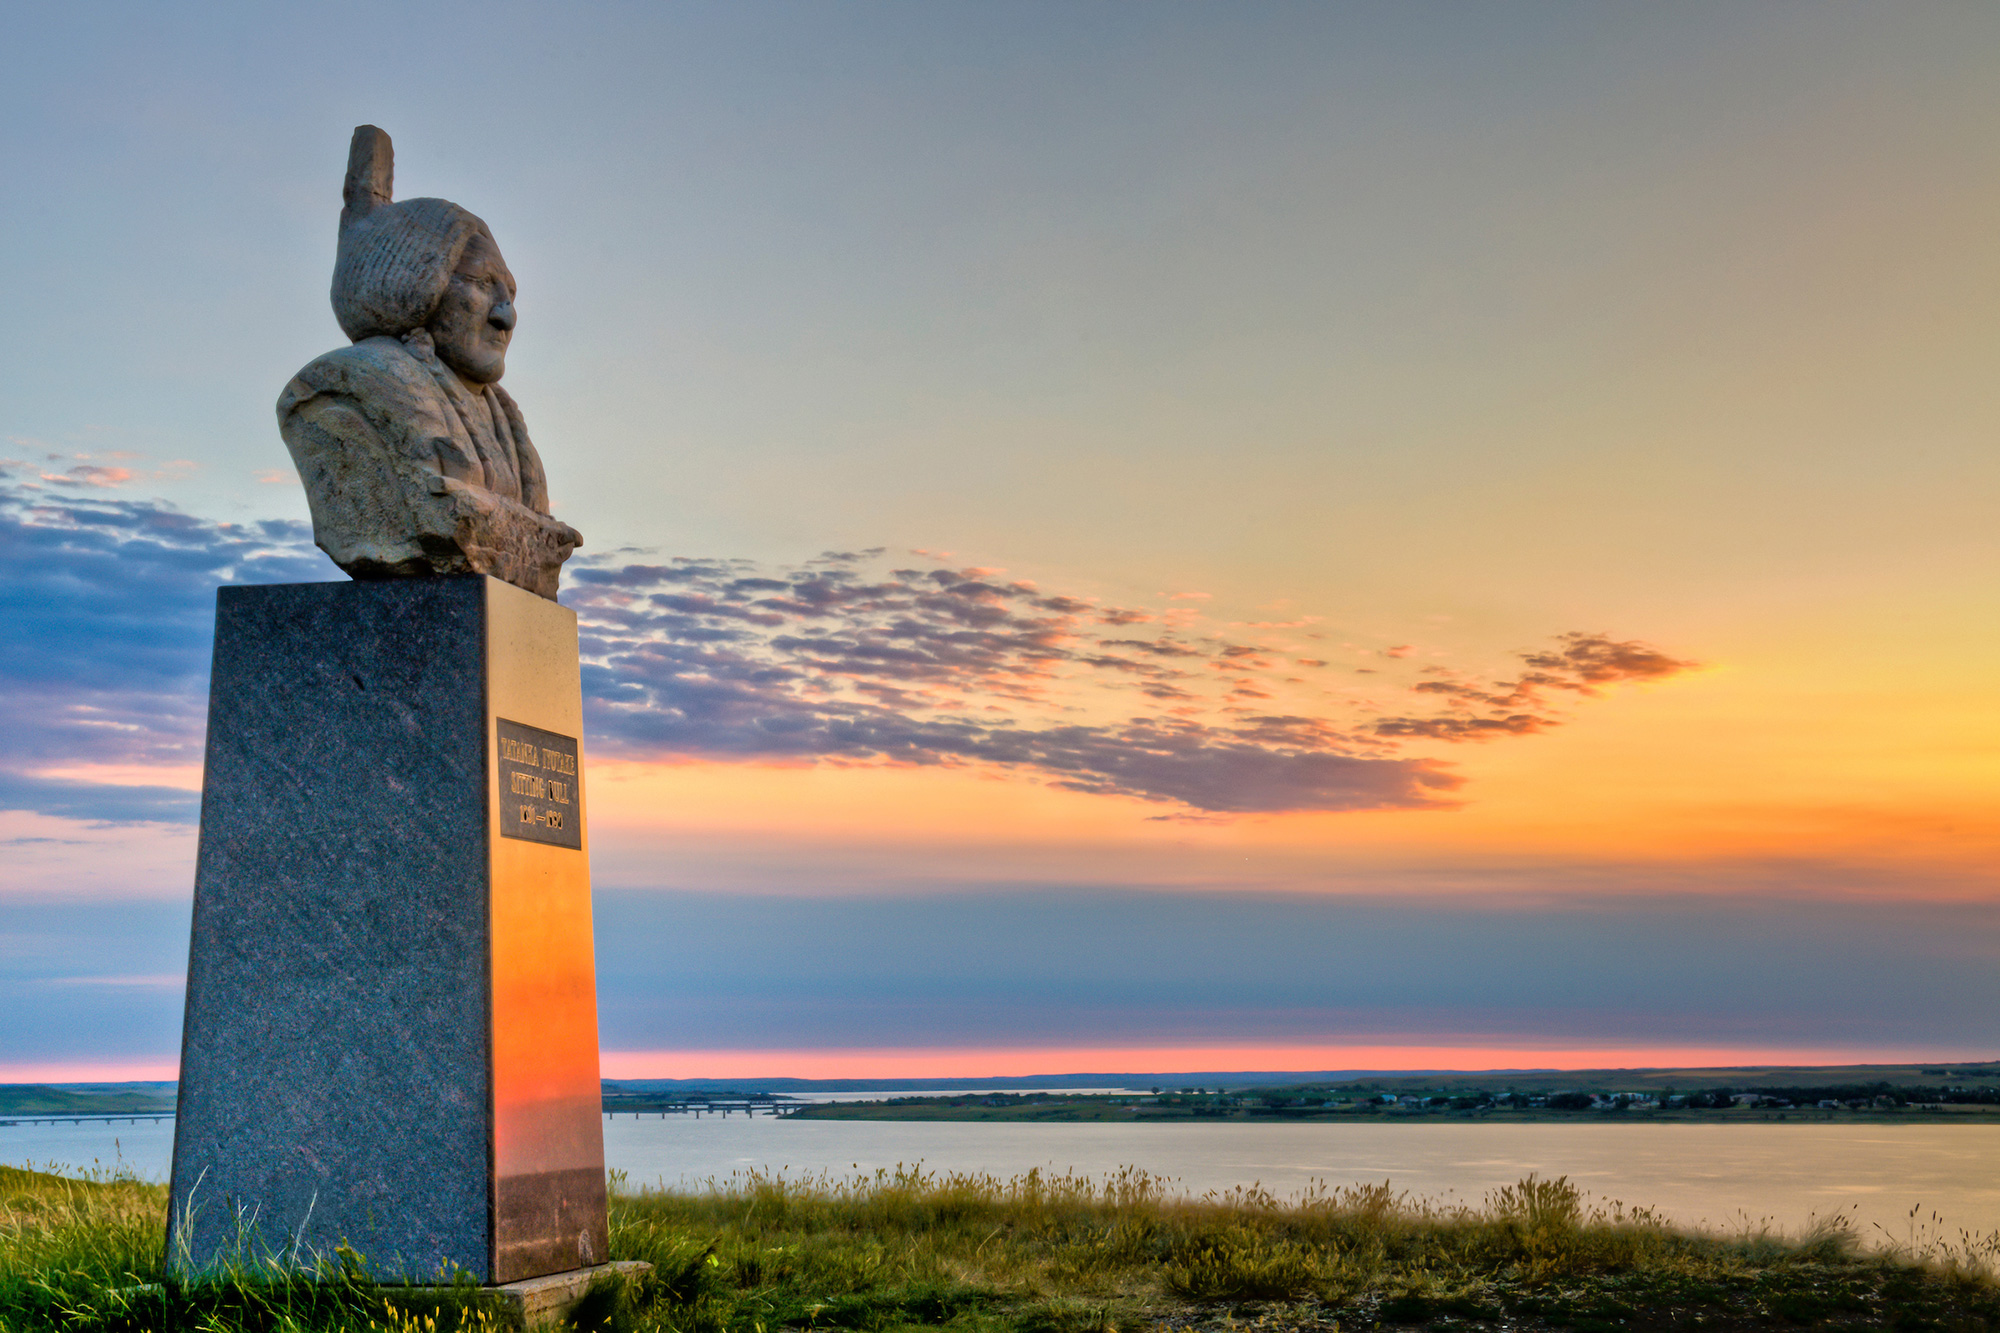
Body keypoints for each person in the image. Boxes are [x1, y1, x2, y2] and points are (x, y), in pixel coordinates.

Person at [279, 126, 582, 599]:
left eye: (511, 294)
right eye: (483, 284)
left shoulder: (500, 412)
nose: (506, 316)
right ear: (417, 285)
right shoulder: (352, 382)